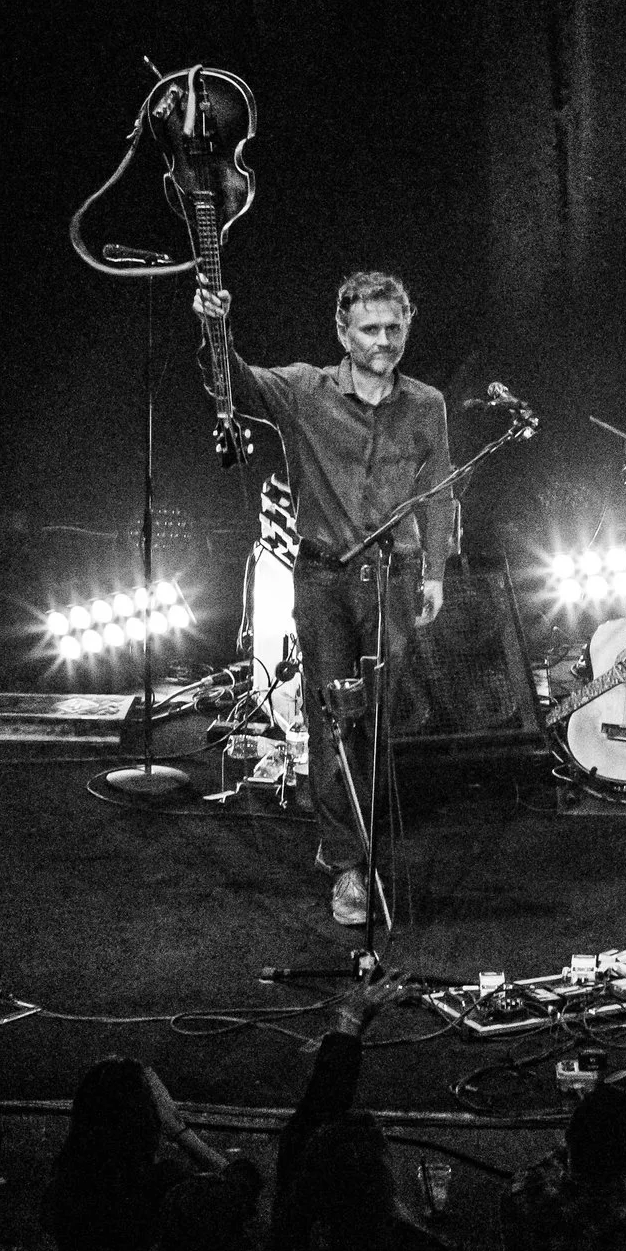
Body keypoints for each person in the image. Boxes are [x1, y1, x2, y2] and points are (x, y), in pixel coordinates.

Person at [194, 272, 452, 926]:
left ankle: (364, 838)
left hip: (393, 577)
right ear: (343, 332)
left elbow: (441, 489)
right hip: (324, 578)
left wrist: (435, 572)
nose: (384, 340)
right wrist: (215, 326)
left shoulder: (427, 404)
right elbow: (236, 384)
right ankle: (347, 864)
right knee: (334, 719)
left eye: (394, 327)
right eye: (370, 329)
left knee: (380, 721)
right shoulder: (306, 389)